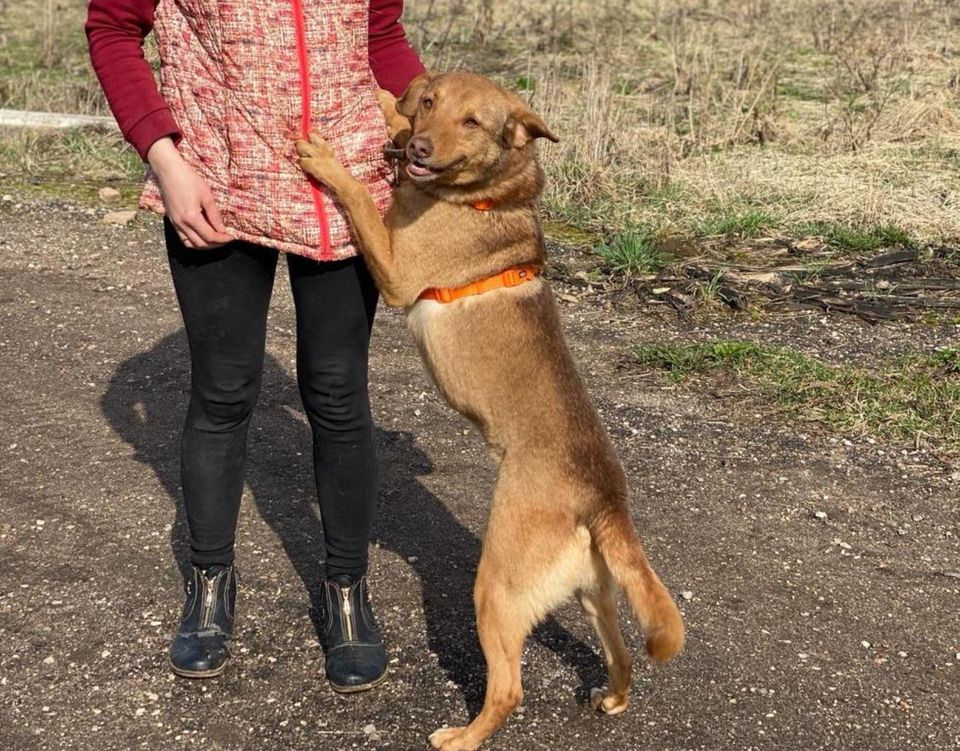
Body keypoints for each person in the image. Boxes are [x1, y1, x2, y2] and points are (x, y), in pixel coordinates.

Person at [85, 0, 424, 692]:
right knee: (225, 388)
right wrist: (164, 157)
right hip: (216, 170)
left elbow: (380, 32)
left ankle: (347, 591)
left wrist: (427, 129)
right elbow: (112, 27)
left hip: (344, 173)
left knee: (336, 390)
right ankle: (210, 584)